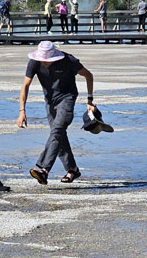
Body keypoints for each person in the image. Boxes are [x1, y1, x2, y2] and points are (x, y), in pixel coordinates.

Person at [17, 41, 95, 184]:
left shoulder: (69, 60)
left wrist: (89, 101)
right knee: (59, 135)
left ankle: (43, 169)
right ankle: (73, 170)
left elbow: (88, 75)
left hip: (67, 98)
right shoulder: (34, 62)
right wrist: (22, 111)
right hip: (50, 102)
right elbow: (25, 85)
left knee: (57, 130)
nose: (44, 62)